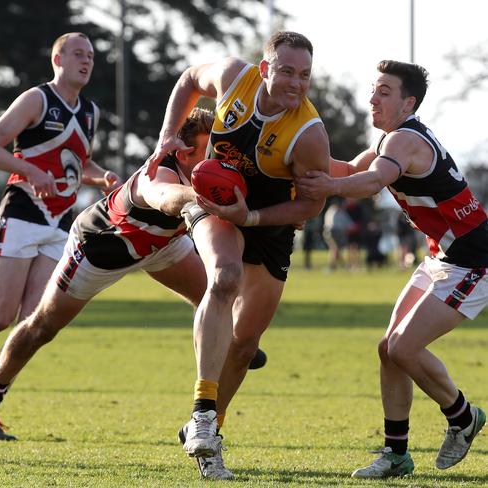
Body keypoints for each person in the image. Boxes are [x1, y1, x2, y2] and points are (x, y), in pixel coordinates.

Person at [0, 108, 223, 466]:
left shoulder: (204, 168)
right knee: (40, 328)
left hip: (161, 245)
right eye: (210, 152)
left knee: (217, 297)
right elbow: (167, 199)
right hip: (100, 249)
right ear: (185, 153)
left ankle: (201, 417)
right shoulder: (157, 175)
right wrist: (204, 199)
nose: (217, 160)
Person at [145, 31, 330, 478]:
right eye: (287, 71)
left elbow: (311, 205)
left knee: (244, 345)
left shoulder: (309, 133)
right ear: (265, 69)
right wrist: (168, 135)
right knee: (224, 277)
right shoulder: (233, 76)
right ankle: (204, 415)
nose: (296, 83)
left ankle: (207, 427)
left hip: (267, 222)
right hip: (216, 205)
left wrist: (251, 218)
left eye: (304, 75)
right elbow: (189, 78)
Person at [297, 60, 488, 478]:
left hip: (475, 260)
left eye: (385, 91)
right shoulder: (390, 139)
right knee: (389, 350)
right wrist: (288, 152)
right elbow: (348, 170)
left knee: (403, 348)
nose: (373, 98)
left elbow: (369, 182)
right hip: (443, 258)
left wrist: (327, 188)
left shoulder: (403, 141)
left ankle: (463, 417)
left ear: (409, 102)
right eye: (373, 89)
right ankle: (396, 454)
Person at [0, 32, 120, 440]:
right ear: (57, 58)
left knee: (31, 325)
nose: (86, 61)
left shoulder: (89, 111)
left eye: (90, 56)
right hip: (20, 214)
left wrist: (100, 175)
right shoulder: (37, 99)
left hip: (59, 226)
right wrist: (32, 171)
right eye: (77, 54)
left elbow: (77, 162)